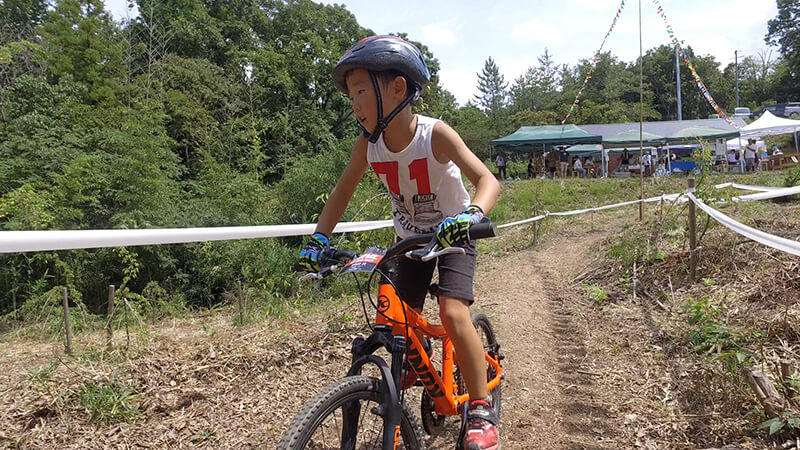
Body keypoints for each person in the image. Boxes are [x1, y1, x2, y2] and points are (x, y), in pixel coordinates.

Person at [297, 36, 501, 449]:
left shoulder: (435, 135)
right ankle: (414, 363)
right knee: (391, 317)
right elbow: (340, 194)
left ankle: (480, 409)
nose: (354, 104)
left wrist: (471, 215)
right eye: (350, 94)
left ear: (397, 89)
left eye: (360, 92)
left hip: (453, 235)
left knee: (452, 311)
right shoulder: (367, 147)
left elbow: (488, 180)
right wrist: (317, 241)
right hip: (410, 241)